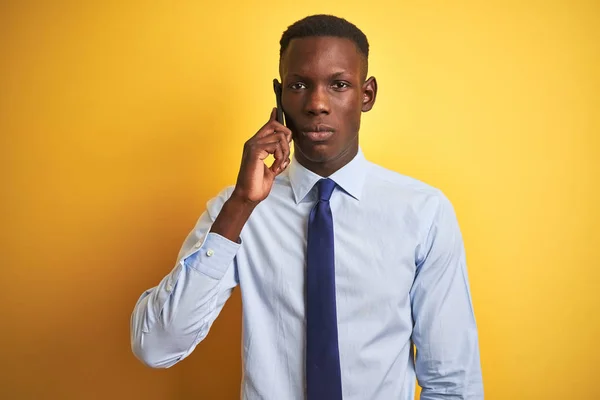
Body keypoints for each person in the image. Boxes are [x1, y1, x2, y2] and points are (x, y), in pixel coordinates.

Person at [130, 14, 484, 400]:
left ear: (366, 95)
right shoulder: (238, 211)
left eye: (338, 85)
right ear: (280, 96)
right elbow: (156, 347)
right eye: (299, 85)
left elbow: (452, 382)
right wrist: (240, 207)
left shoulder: (423, 213)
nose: (317, 104)